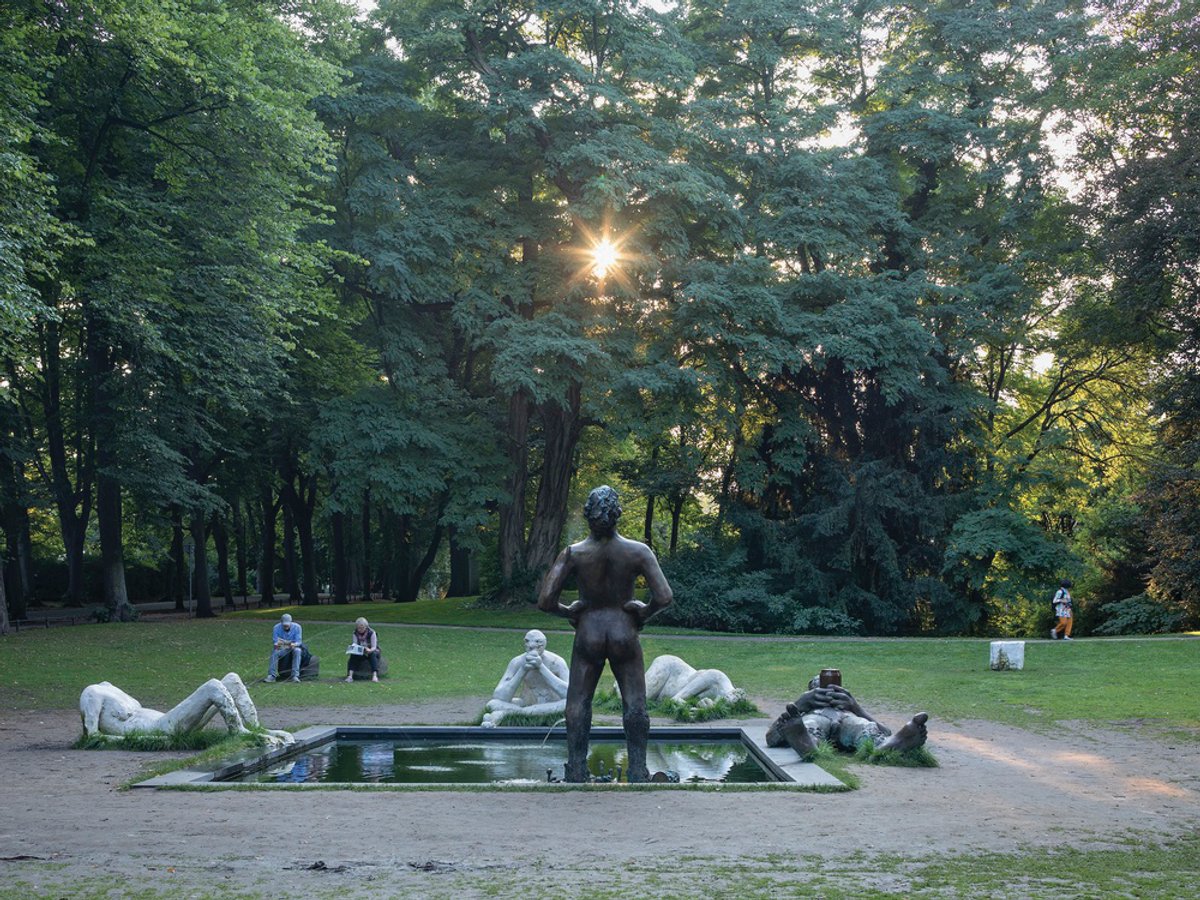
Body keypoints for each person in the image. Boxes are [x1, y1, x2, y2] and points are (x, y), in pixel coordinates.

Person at [538, 485, 673, 782]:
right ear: (618, 515)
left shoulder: (574, 553)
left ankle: (576, 769)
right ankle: (637, 770)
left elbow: (546, 600)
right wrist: (644, 612)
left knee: (578, 702)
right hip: (624, 631)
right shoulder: (638, 551)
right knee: (635, 703)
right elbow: (663, 596)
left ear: (588, 515)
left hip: (589, 631)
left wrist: (569, 611)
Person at [79, 673, 293, 746]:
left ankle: (256, 729)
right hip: (160, 729)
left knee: (231, 680)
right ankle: (238, 732)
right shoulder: (92, 694)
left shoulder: (107, 687)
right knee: (212, 686)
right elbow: (93, 736)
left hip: (165, 721)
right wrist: (151, 740)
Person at [766, 674, 929, 760]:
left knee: (864, 727)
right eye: (818, 685)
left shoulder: (848, 708)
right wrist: (800, 704)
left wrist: (856, 708)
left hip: (847, 720)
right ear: (810, 690)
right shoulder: (807, 710)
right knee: (808, 725)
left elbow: (886, 731)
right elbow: (770, 738)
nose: (826, 689)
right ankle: (806, 742)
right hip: (816, 718)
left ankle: (889, 746)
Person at [481, 629, 570, 727]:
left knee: (567, 704)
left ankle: (505, 714)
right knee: (492, 704)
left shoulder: (557, 662)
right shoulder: (517, 662)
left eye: (537, 642)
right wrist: (523, 669)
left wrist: (541, 668)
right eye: (527, 641)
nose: (531, 645)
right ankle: (522, 712)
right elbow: (500, 696)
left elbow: (570, 695)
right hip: (527, 703)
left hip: (553, 704)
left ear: (544, 644)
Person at [641, 654, 741, 704]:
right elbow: (676, 699)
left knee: (640, 700)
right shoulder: (717, 677)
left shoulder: (717, 702)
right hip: (669, 667)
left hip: (666, 690)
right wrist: (681, 703)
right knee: (640, 698)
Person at [267, 613, 303, 682]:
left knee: (298, 651)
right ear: (281, 622)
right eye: (284, 625)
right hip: (282, 648)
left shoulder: (297, 627)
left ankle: (295, 676)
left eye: (287, 625)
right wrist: (286, 643)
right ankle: (271, 675)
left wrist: (293, 644)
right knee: (275, 652)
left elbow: (298, 642)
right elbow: (275, 642)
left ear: (291, 622)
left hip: (293, 647)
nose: (286, 627)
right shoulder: (276, 628)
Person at [345, 617, 381, 682]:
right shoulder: (355, 633)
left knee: (373, 655)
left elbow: (374, 647)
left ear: (366, 627)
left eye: (362, 628)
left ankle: (375, 676)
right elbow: (355, 644)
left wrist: (369, 650)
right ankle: (350, 676)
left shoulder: (372, 633)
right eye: (358, 628)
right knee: (353, 656)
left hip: (371, 650)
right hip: (361, 651)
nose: (360, 629)